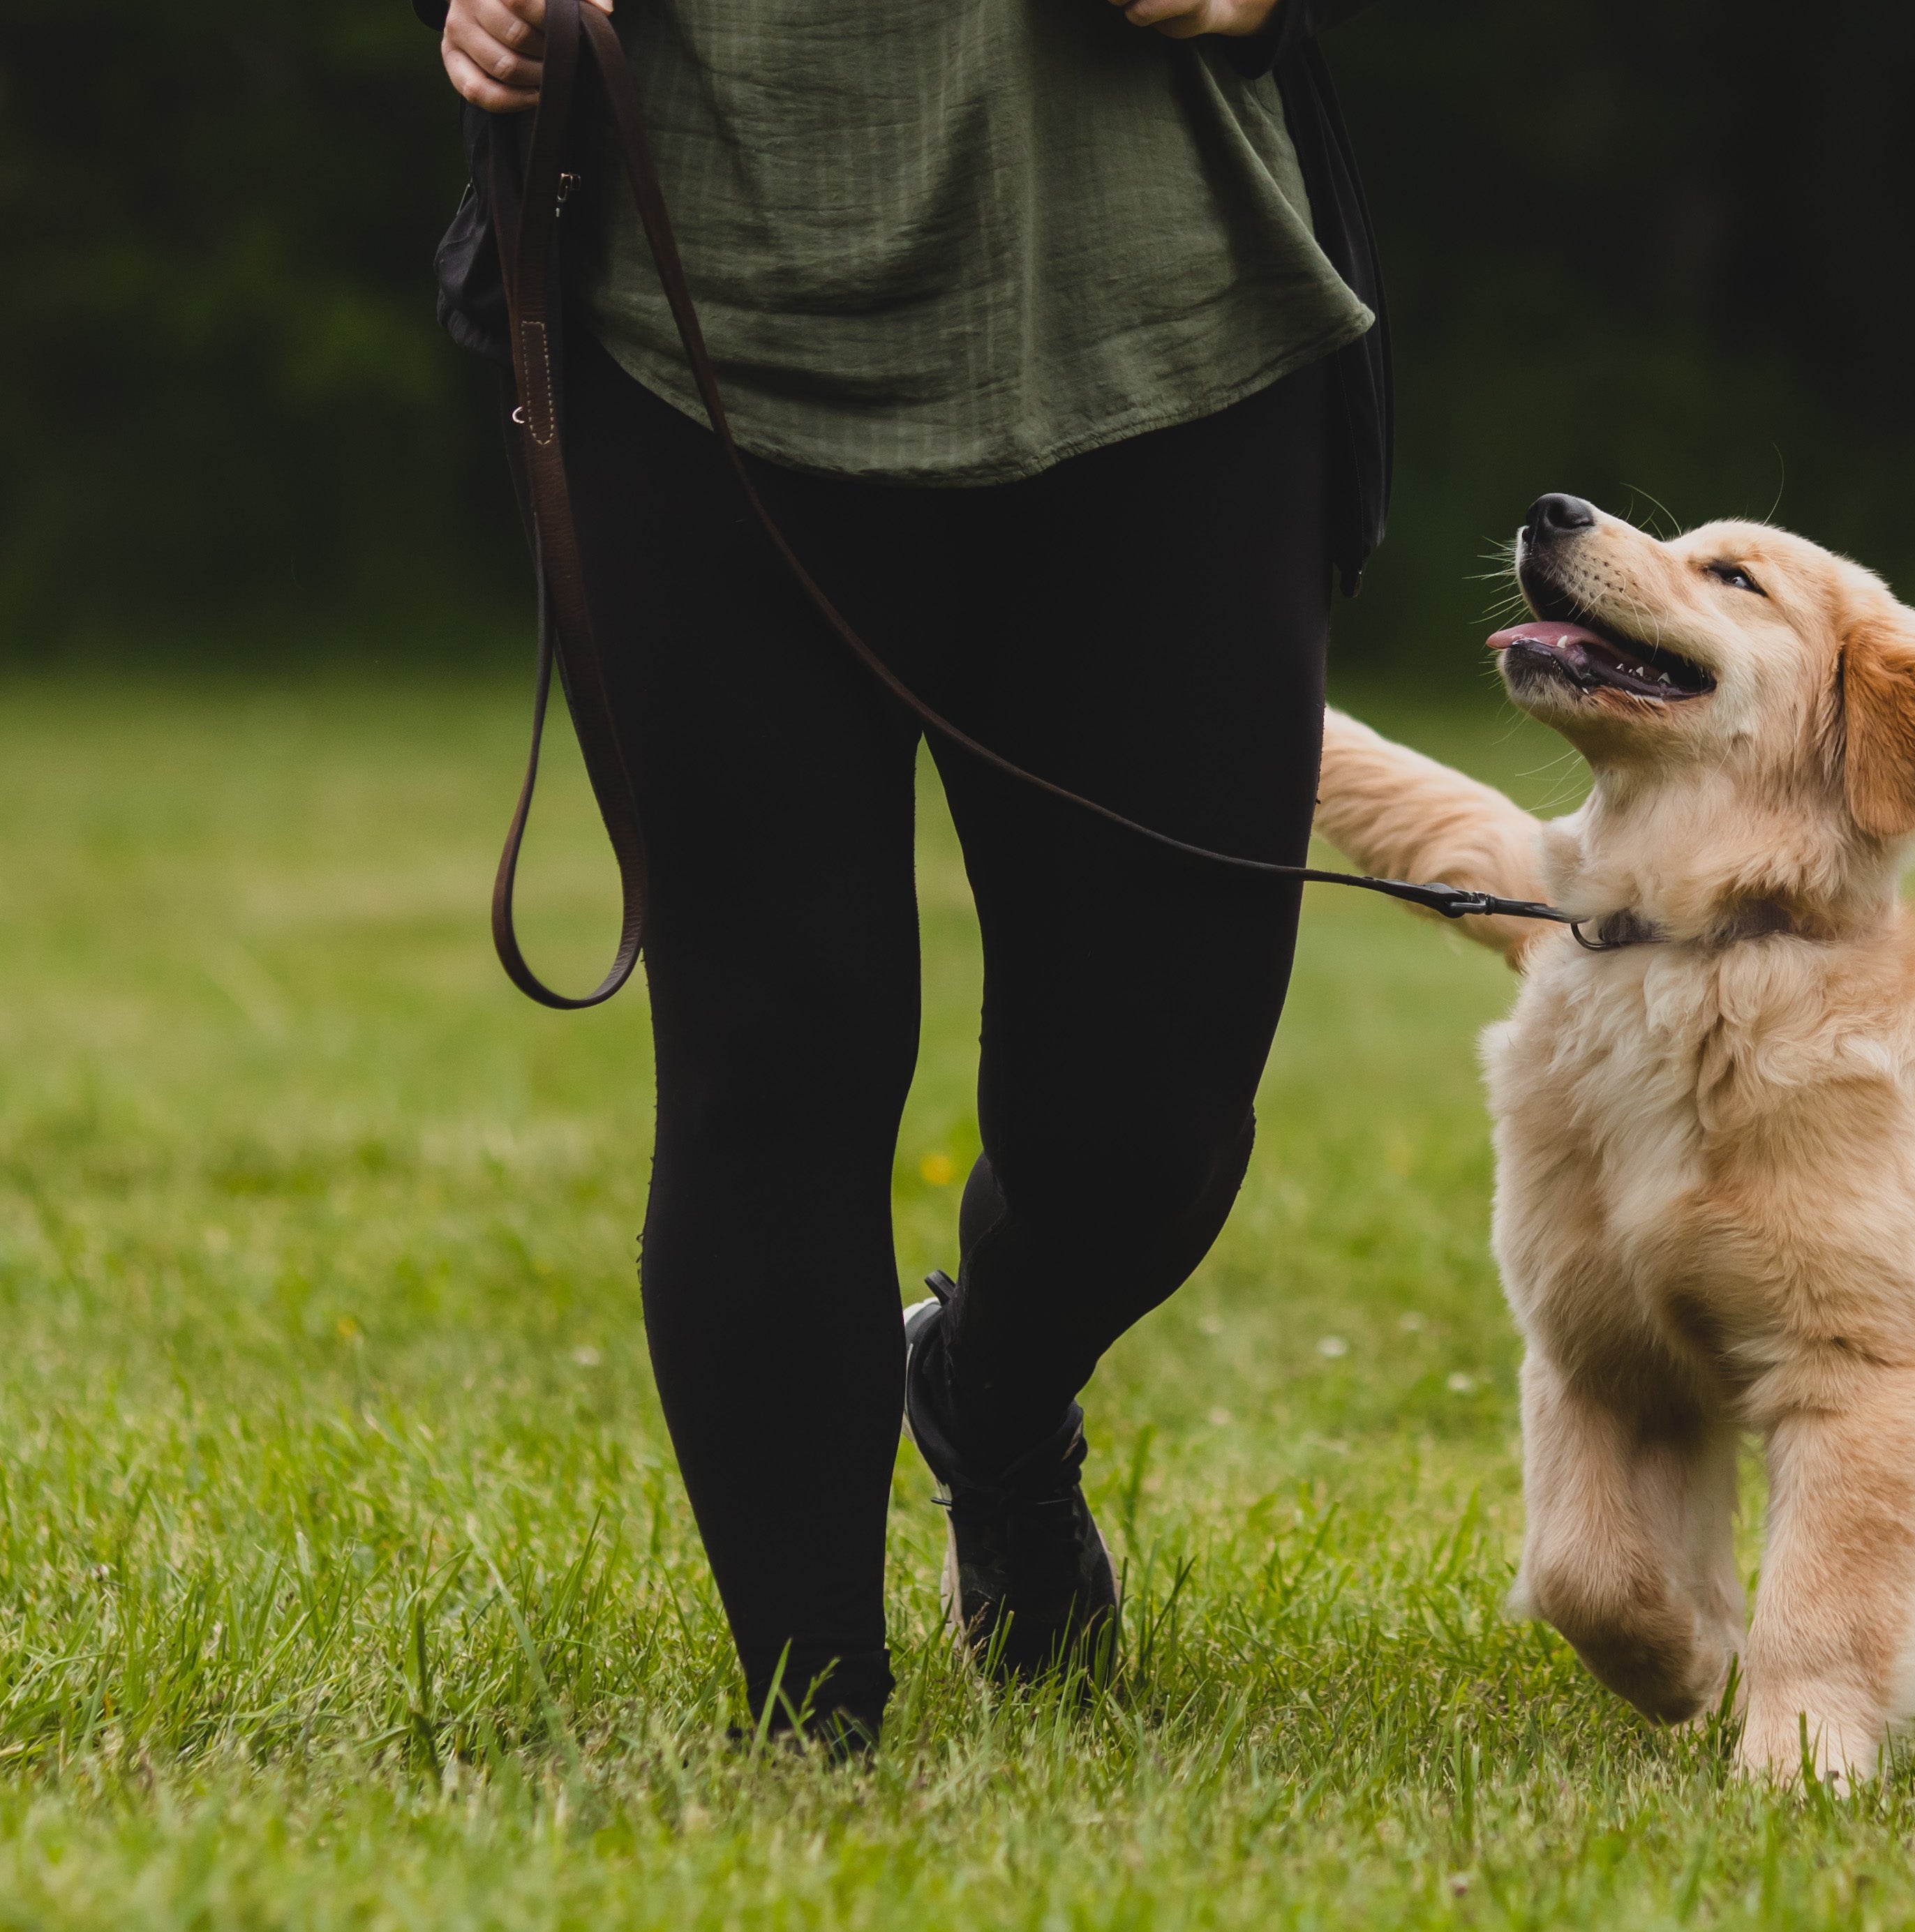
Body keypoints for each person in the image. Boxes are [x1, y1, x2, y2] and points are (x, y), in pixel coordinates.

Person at [416, 0, 1389, 1746]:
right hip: (697, 316)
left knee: (1145, 1127)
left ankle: (989, 1391)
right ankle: (815, 1727)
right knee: (772, 1061)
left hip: (1168, 322)